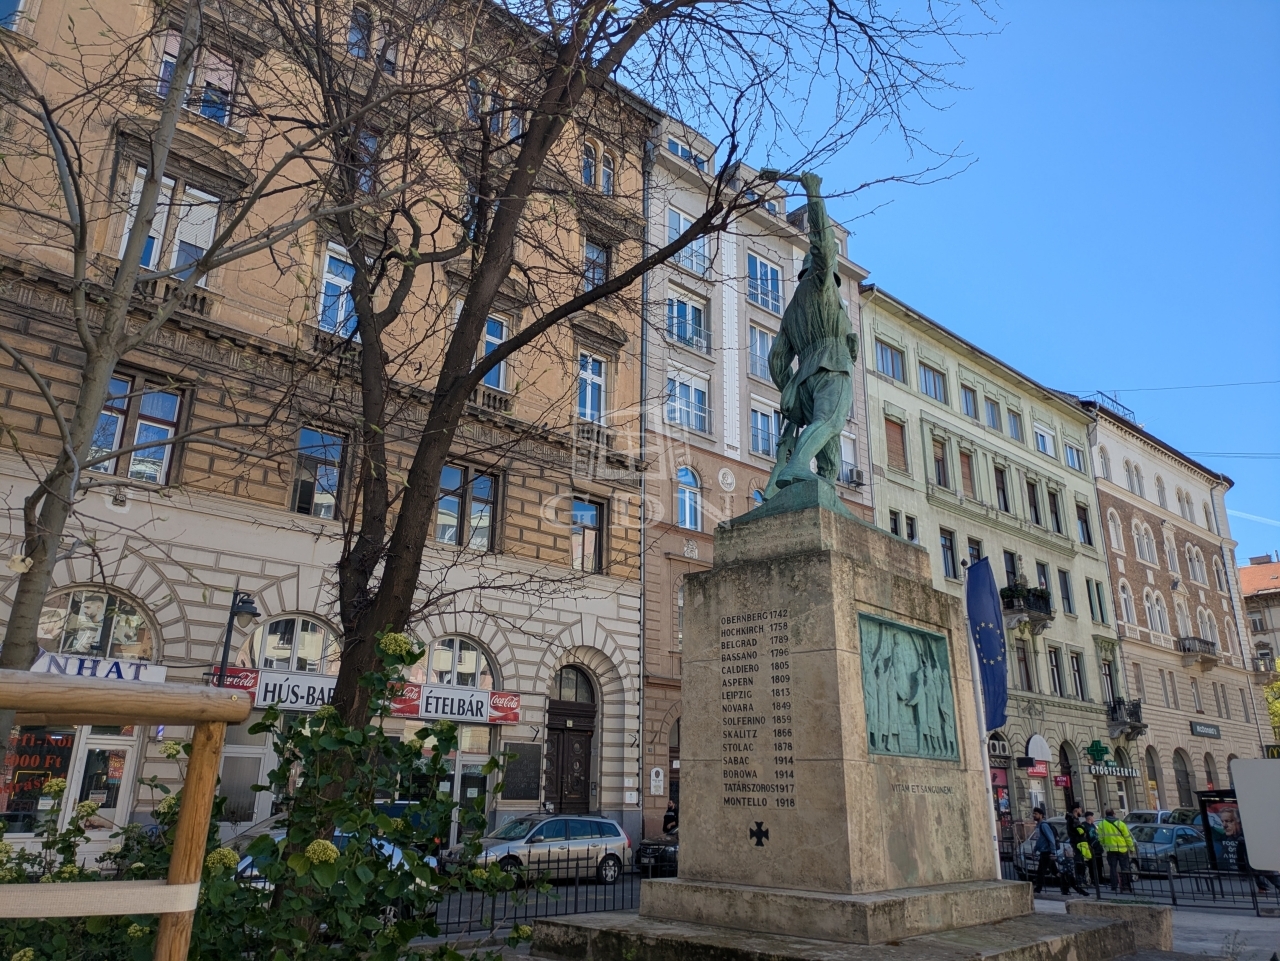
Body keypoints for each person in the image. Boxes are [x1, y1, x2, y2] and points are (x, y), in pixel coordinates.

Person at [1096, 808, 1136, 893]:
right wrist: (1131, 848)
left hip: (1110, 850)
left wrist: (1105, 845)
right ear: (1114, 814)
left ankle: (1114, 886)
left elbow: (1100, 838)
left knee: (1113, 868)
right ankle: (1125, 886)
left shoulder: (1102, 824)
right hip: (1122, 850)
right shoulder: (1120, 823)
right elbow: (1127, 837)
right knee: (1125, 868)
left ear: (1106, 814)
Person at [1064, 804, 1092, 896]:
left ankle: (1073, 886)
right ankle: (1078, 884)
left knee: (1080, 864)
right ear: (1076, 810)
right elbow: (1080, 831)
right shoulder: (1073, 819)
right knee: (1078, 864)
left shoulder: (1073, 819)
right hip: (1077, 843)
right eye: (1080, 810)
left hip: (1078, 843)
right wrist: (1083, 829)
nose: (1081, 811)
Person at [1030, 808, 1059, 894]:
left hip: (1047, 852)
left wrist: (1053, 852)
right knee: (1055, 872)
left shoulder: (1044, 825)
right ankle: (1067, 885)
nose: (1034, 815)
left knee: (1040, 872)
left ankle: (1038, 889)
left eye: (1036, 814)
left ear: (1041, 815)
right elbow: (1039, 839)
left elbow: (1051, 839)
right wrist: (1035, 850)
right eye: (1033, 814)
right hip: (1044, 851)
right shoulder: (1038, 826)